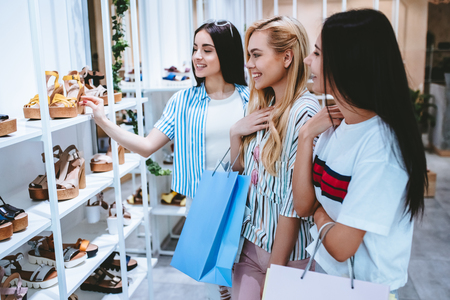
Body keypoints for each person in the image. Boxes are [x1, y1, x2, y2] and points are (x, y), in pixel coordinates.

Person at [81, 20, 248, 300]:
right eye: (195, 48)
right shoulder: (183, 101)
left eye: (207, 49)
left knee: (245, 281)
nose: (197, 56)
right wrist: (104, 121)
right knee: (214, 288)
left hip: (246, 201)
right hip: (203, 204)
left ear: (227, 53)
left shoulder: (250, 98)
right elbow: (147, 146)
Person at [292, 9, 427, 300]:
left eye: (316, 53)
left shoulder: (381, 146)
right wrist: (306, 136)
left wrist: (319, 214)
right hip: (328, 276)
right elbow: (302, 205)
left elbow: (341, 247)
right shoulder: (336, 121)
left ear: (346, 63)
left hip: (364, 289)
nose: (307, 60)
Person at [229, 16, 320, 299]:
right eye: (248, 55)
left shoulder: (303, 112)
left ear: (287, 57)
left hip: (285, 257)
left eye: (256, 55)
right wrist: (235, 134)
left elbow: (291, 205)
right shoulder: (267, 104)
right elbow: (241, 173)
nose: (248, 64)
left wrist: (275, 275)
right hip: (249, 246)